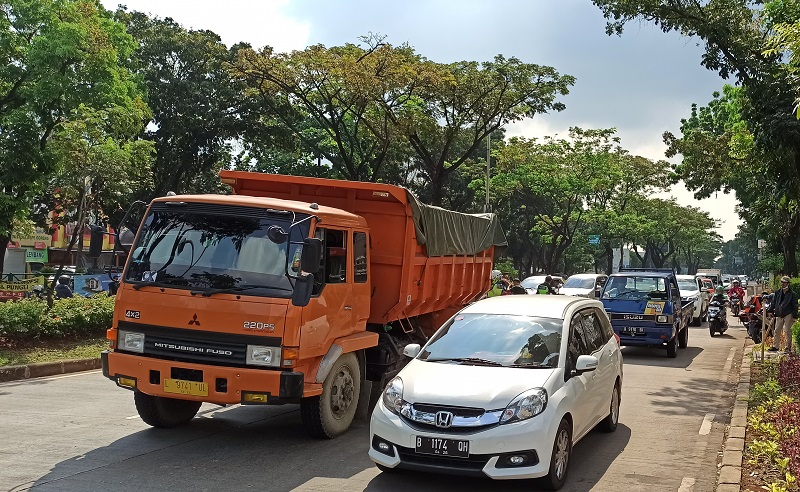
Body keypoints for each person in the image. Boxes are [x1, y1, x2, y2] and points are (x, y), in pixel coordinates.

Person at [768, 276, 797, 353]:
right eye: (782, 282)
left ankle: (788, 348)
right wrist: (770, 310)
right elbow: (774, 302)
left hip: (788, 314)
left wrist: (794, 316)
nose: (782, 284)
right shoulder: (777, 292)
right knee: (777, 330)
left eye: (784, 282)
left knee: (787, 331)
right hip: (779, 314)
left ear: (788, 283)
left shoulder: (792, 294)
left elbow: (795, 305)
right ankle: (775, 346)